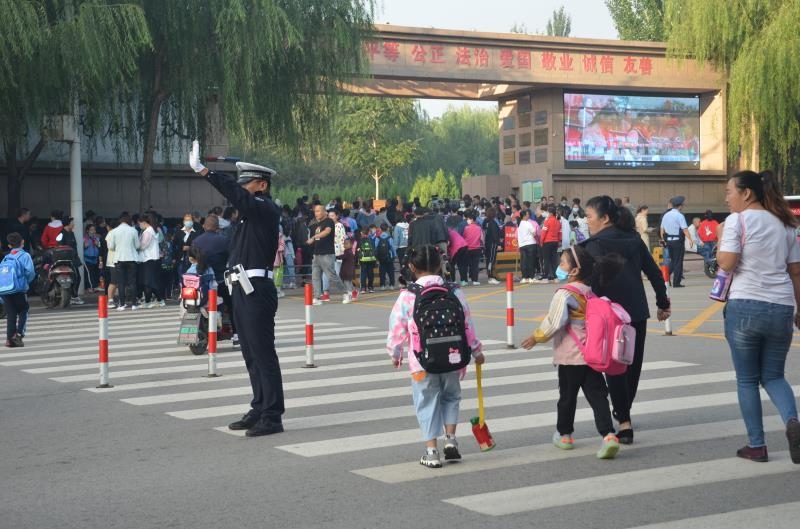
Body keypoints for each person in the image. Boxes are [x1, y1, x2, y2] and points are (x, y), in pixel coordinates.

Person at [190, 140, 285, 437]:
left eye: (246, 184)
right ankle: (259, 406)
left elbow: (237, 196)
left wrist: (205, 172)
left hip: (257, 287)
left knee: (263, 353)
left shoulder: (265, 208)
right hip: (241, 287)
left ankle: (272, 415)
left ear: (261, 185)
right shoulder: (247, 216)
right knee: (250, 353)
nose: (240, 190)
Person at [716, 170, 800, 464]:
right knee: (774, 376)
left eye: (729, 192)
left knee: (747, 380)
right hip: (782, 306)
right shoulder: (786, 224)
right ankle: (792, 421)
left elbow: (727, 263)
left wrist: (720, 239)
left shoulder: (737, 221)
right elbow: (795, 272)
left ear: (746, 193)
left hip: (746, 306)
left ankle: (757, 445)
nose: (727, 198)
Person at [581, 196, 671, 444]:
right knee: (632, 365)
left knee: (614, 367)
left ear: (604, 218)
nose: (586, 221)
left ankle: (624, 421)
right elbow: (654, 273)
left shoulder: (593, 245)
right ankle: (624, 413)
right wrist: (662, 303)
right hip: (636, 313)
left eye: (589, 216)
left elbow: (585, 284)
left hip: (608, 317)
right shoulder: (633, 239)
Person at [386, 244, 485, 468]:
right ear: (440, 265)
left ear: (412, 267)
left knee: (426, 401)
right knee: (451, 397)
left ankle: (431, 452)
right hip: (453, 358)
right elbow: (467, 324)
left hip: (421, 362)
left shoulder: (408, 295)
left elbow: (397, 328)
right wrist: (476, 350)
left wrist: (395, 353)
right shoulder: (454, 291)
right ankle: (451, 441)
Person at [520, 246, 623, 459]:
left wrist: (537, 337)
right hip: (592, 355)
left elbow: (555, 321)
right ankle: (608, 435)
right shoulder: (590, 293)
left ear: (574, 270)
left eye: (563, 263)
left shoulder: (565, 293)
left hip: (569, 356)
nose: (560, 266)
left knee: (567, 397)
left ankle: (565, 435)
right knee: (598, 397)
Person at [307, 204, 350, 305]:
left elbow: (327, 232)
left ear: (324, 212)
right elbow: (313, 239)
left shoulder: (329, 221)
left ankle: (346, 293)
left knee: (331, 276)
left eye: (318, 211)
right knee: (315, 276)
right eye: (315, 211)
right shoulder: (314, 225)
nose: (316, 213)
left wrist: (314, 237)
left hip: (327, 254)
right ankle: (317, 297)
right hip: (316, 254)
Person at [1, 233, 36, 348]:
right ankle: (19, 334)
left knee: (11, 314)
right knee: (23, 310)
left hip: (5, 290)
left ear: (9, 246)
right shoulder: (25, 255)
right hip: (18, 290)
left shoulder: (6, 258)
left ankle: (9, 339)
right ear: (23, 242)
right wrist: (25, 282)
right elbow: (30, 272)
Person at [106, 213, 140, 311]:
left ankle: (122, 304)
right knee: (132, 282)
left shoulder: (114, 231)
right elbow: (137, 246)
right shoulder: (133, 230)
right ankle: (134, 304)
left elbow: (111, 247)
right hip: (132, 258)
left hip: (119, 259)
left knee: (121, 282)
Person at [660, 196, 693, 287]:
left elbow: (662, 229)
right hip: (678, 241)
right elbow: (685, 229)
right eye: (682, 205)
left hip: (669, 242)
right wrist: (690, 239)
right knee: (678, 262)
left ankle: (664, 276)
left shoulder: (666, 215)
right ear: (680, 206)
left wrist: (663, 239)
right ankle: (676, 282)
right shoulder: (679, 215)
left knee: (674, 261)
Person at [137, 213, 165, 308]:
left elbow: (142, 246)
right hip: (152, 258)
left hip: (147, 259)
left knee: (148, 282)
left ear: (144, 222)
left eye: (140, 223)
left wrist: (135, 245)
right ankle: (157, 300)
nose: (139, 226)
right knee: (149, 282)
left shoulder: (147, 232)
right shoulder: (153, 230)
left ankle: (151, 301)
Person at [538, 205, 562, 283]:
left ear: (551, 213)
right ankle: (555, 277)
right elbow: (560, 233)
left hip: (547, 242)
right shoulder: (558, 222)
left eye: (548, 212)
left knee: (546, 260)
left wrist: (541, 242)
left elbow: (543, 232)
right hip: (555, 242)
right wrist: (559, 241)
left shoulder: (547, 221)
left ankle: (545, 278)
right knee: (554, 260)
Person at [517, 209, 539, 284]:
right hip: (530, 244)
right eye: (527, 214)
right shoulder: (528, 223)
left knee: (524, 261)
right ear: (524, 216)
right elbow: (534, 233)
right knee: (531, 261)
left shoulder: (520, 224)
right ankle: (531, 277)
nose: (528, 215)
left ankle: (524, 277)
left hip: (522, 245)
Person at [462, 210, 484, 286]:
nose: (467, 220)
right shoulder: (479, 228)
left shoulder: (466, 228)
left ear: (472, 219)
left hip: (468, 248)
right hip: (477, 248)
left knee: (468, 264)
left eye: (468, 219)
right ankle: (475, 280)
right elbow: (482, 239)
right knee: (475, 265)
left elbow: (464, 237)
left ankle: (469, 278)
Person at [483, 207, 502, 285]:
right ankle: (490, 277)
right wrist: (499, 244)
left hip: (487, 244)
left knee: (489, 261)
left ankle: (490, 276)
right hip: (493, 245)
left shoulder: (486, 222)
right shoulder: (493, 223)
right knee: (491, 261)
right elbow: (495, 235)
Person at [356, 226, 376, 293]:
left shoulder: (359, 241)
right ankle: (371, 287)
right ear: (368, 233)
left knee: (363, 274)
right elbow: (374, 249)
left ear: (361, 233)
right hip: (371, 259)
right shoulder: (371, 240)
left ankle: (363, 288)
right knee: (370, 273)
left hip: (362, 260)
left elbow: (356, 250)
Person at [376, 222, 396, 290]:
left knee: (382, 271)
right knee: (391, 271)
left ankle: (382, 285)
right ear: (387, 229)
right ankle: (392, 285)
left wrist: (377, 257)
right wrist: (394, 255)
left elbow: (376, 247)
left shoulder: (378, 238)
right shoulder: (389, 238)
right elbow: (392, 247)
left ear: (380, 229)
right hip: (389, 257)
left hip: (381, 257)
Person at [83, 224, 101, 292]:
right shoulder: (84, 238)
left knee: (95, 273)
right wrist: (84, 246)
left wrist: (98, 244)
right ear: (87, 231)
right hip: (87, 259)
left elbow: (100, 246)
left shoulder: (97, 238)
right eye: (91, 230)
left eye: (94, 230)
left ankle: (95, 286)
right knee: (89, 274)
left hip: (95, 259)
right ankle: (90, 287)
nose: (93, 231)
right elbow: (80, 248)